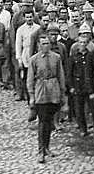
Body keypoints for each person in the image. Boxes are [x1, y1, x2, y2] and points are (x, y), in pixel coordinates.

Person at [27, 33, 67, 164]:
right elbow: (30, 79)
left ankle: (47, 147)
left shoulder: (56, 57)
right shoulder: (34, 59)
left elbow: (61, 75)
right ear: (38, 45)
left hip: (53, 90)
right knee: (42, 121)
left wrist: (62, 92)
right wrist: (32, 96)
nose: (46, 46)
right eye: (43, 43)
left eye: (47, 43)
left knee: (49, 120)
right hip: (41, 91)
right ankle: (41, 150)